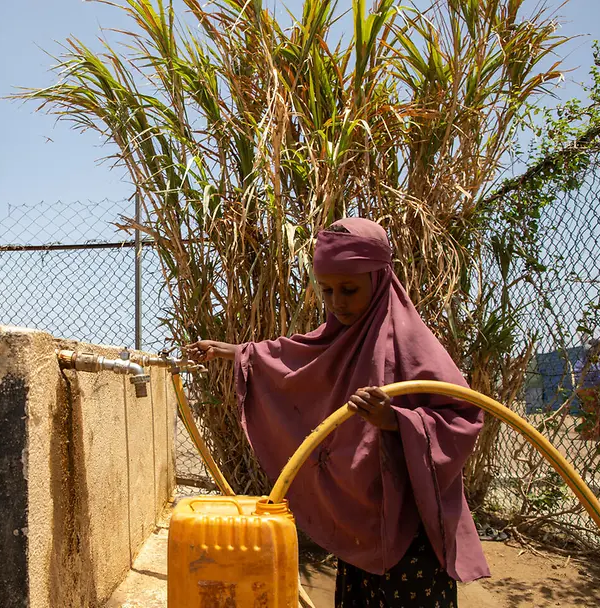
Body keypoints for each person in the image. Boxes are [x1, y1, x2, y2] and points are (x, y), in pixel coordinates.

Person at [186, 218, 489, 607]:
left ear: (379, 280)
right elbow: (290, 361)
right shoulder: (336, 338)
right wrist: (231, 351)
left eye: (349, 290)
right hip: (359, 520)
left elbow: (462, 417)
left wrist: (395, 421)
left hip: (410, 524)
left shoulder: (411, 343)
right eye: (326, 290)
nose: (337, 303)